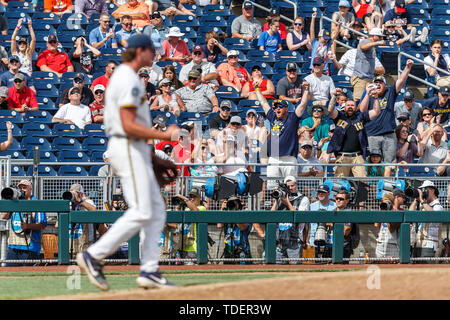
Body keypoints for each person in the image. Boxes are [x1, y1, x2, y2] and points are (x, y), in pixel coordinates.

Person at [77, 34, 180, 291]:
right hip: (127, 148)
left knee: (155, 210)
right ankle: (93, 255)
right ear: (140, 51)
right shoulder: (128, 78)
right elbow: (127, 124)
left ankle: (149, 270)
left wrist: (152, 155)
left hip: (134, 149)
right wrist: (164, 135)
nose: (155, 54)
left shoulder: (127, 77)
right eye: (151, 50)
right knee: (143, 211)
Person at [254, 81, 309, 190]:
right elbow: (263, 103)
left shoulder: (292, 118)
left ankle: (291, 205)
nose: (277, 109)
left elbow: (302, 104)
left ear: (286, 108)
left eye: (280, 106)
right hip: (273, 158)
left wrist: (306, 90)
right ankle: (275, 205)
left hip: (289, 158)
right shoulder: (272, 117)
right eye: (275, 107)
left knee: (291, 186)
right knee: (272, 187)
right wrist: (257, 89)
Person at [359, 60, 414, 163]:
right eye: (376, 83)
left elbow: (401, 80)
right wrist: (367, 93)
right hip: (372, 134)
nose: (378, 85)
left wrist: (407, 67)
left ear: (385, 85)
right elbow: (362, 110)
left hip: (389, 135)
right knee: (373, 163)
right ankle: (374, 180)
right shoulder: (369, 95)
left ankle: (389, 180)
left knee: (390, 162)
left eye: (381, 83)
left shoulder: (390, 92)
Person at [327, 86, 381, 177]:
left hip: (358, 157)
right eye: (348, 105)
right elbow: (330, 110)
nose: (350, 107)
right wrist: (334, 96)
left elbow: (376, 112)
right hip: (342, 156)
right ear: (344, 107)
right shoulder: (339, 116)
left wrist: (376, 98)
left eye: (352, 105)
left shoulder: (361, 117)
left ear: (356, 107)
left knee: (362, 182)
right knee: (339, 183)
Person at [1, 179, 46, 266]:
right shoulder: (14, 203)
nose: (22, 190)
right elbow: (4, 216)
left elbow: (42, 224)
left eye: (24, 187)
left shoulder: (36, 203)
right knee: (10, 275)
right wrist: (8, 200)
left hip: (29, 248)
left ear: (30, 189)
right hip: (13, 246)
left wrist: (28, 226)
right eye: (20, 188)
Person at [271, 175, 309, 264]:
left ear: (296, 184)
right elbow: (271, 215)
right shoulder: (281, 198)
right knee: (278, 267)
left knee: (295, 266)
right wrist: (276, 200)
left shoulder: (303, 199)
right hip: (280, 240)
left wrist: (287, 203)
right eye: (288, 186)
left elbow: (300, 217)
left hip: (294, 240)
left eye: (292, 185)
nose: (290, 188)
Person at [409, 180, 443, 262]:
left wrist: (422, 200)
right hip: (418, 243)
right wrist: (416, 201)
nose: (423, 193)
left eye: (425, 190)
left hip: (429, 244)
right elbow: (409, 214)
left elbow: (432, 215)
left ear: (432, 190)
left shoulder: (438, 206)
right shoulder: (422, 204)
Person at [172, 187, 206, 264]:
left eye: (194, 196)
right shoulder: (186, 209)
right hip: (182, 246)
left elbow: (195, 211)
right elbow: (176, 221)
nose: (192, 199)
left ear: (200, 198)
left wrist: (184, 198)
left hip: (192, 247)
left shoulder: (202, 208)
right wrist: (179, 205)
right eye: (190, 196)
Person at [351, 27, 386, 101]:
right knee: (358, 101)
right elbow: (363, 46)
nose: (381, 38)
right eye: (379, 36)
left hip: (368, 78)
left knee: (367, 102)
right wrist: (378, 43)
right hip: (361, 78)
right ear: (373, 36)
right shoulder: (365, 41)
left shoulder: (372, 47)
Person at [66, 183, 98, 258]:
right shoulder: (68, 204)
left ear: (81, 194)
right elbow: (58, 224)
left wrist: (80, 201)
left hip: (86, 244)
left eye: (75, 193)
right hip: (72, 243)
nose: (73, 196)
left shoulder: (88, 202)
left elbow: (94, 210)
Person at [374, 189, 405, 259]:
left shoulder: (398, 212)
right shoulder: (384, 209)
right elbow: (376, 224)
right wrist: (381, 209)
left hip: (392, 244)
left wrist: (388, 213)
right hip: (380, 242)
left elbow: (391, 229)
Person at [308, 184, 337, 259]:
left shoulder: (335, 206)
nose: (320, 194)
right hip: (313, 240)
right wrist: (306, 240)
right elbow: (307, 225)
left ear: (328, 194)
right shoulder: (311, 206)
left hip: (329, 241)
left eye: (323, 192)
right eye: (319, 192)